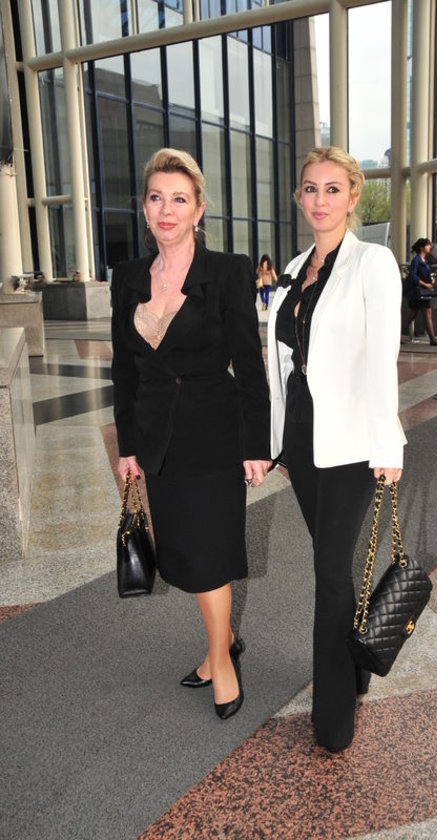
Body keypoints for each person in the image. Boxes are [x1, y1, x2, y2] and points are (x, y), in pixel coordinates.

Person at [111, 148, 272, 721]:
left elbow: (249, 365)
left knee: (210, 555)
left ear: (199, 210)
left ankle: (221, 660)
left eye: (179, 199)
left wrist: (256, 445)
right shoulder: (128, 277)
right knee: (183, 552)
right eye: (156, 198)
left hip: (214, 435)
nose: (167, 209)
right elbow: (125, 371)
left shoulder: (227, 271)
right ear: (144, 207)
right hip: (158, 440)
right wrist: (128, 446)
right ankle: (219, 643)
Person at [267, 146, 407, 753]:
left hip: (350, 441)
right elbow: (282, 359)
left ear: (352, 197)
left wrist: (386, 442)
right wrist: (273, 440)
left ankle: (333, 720)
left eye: (332, 189)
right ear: (299, 197)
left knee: (328, 573)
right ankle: (353, 671)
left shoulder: (372, 262)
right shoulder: (294, 268)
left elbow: (381, 357)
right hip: (303, 439)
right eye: (310, 188)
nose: (319, 200)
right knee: (332, 561)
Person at [401, 238, 437, 345]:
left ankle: (397, 335)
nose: (430, 247)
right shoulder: (417, 260)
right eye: (427, 245)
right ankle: (432, 339)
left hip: (422, 291)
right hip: (418, 291)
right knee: (426, 313)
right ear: (422, 248)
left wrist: (431, 280)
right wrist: (425, 284)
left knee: (413, 314)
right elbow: (413, 275)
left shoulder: (425, 261)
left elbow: (424, 274)